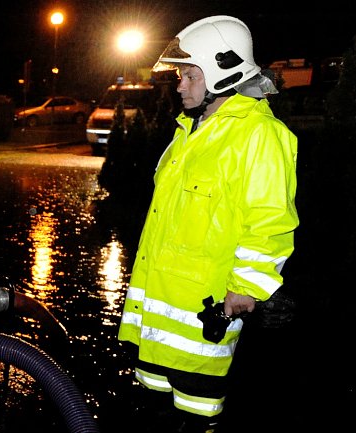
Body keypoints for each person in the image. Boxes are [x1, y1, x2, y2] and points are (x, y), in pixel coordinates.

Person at [117, 16, 299, 433]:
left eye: (189, 74)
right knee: (151, 419)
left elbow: (270, 223)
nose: (180, 85)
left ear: (223, 72)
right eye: (181, 75)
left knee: (196, 423)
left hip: (203, 329)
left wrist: (248, 289)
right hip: (155, 324)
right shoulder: (189, 132)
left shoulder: (259, 136)